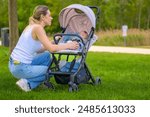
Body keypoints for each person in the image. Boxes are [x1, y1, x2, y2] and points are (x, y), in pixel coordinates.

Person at [8, 5, 79, 92]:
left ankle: (38, 77)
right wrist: (69, 45)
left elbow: (38, 49)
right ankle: (27, 83)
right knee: (50, 71)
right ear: (42, 17)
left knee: (46, 56)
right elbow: (52, 49)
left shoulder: (31, 26)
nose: (51, 18)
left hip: (14, 64)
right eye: (49, 15)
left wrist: (52, 42)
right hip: (20, 67)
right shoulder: (38, 28)